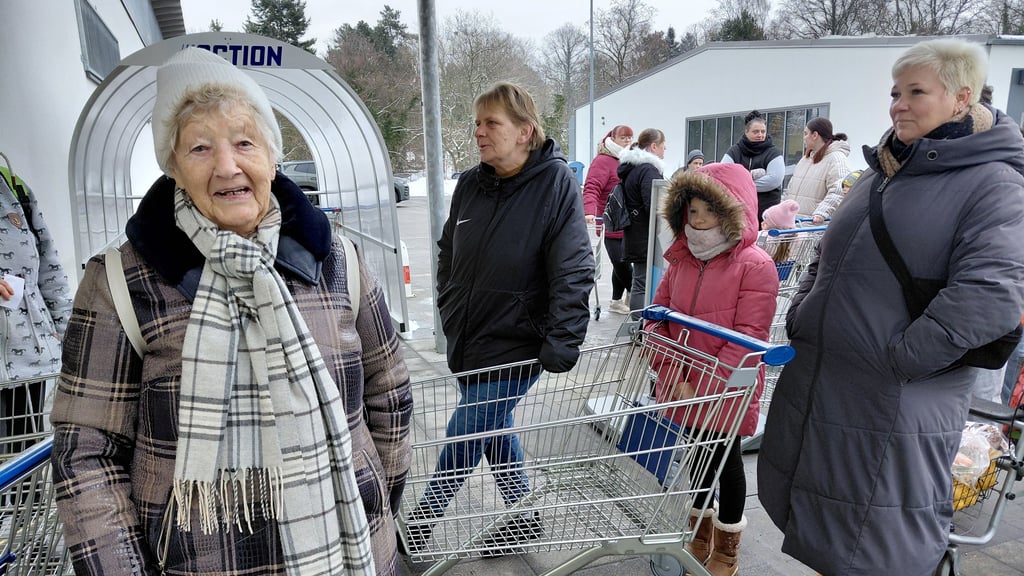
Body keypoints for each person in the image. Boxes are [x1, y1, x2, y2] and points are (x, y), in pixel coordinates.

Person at [51, 47, 413, 576]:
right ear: (173, 167)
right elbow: (86, 453)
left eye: (244, 141)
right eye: (199, 147)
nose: (227, 166)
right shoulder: (119, 282)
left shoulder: (337, 259)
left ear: (271, 153)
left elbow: (389, 391)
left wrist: (371, 503)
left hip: (350, 553)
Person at [758, 38, 1024, 576]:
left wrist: (901, 358)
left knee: (880, 543)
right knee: (833, 530)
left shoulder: (993, 184)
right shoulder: (882, 172)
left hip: (896, 397)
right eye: (895, 91)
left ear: (962, 97)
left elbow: (991, 296)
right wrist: (804, 311)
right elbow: (828, 252)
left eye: (916, 91)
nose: (898, 104)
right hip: (832, 385)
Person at [407, 81, 595, 553]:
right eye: (477, 123)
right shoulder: (471, 183)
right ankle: (523, 514)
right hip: (471, 335)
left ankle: (417, 526)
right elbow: (449, 249)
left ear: (524, 131)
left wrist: (563, 338)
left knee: (467, 428)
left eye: (491, 123)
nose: (479, 133)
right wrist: (449, 301)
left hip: (520, 340)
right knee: (491, 424)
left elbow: (574, 267)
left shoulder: (554, 184)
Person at [646, 163, 778, 576]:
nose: (698, 220)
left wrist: (702, 385)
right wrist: (674, 375)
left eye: (708, 210)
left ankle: (727, 546)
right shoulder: (681, 259)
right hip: (682, 382)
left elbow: (747, 337)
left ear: (732, 211)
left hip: (726, 389)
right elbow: (656, 318)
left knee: (725, 460)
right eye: (692, 211)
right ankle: (699, 530)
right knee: (697, 461)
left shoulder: (754, 266)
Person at [0, 167, 72, 453]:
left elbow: (50, 276)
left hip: (32, 365)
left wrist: (73, 344)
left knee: (23, 481)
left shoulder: (13, 186)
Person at [583, 124, 634, 315]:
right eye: (623, 137)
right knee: (620, 261)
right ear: (613, 138)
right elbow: (591, 187)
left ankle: (615, 301)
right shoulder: (603, 161)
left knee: (622, 262)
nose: (627, 141)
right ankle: (634, 294)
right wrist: (589, 211)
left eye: (630, 137)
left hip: (627, 221)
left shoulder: (628, 159)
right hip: (610, 220)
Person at [619, 128, 666, 318]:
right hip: (646, 235)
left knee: (639, 282)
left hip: (635, 233)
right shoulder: (648, 170)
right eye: (663, 147)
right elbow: (654, 204)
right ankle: (639, 327)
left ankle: (638, 325)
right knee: (642, 283)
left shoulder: (633, 167)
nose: (664, 152)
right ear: (654, 146)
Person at [783, 117, 852, 224]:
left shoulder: (837, 159)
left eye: (806, 133)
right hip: (794, 225)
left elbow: (839, 191)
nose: (804, 138)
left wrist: (821, 213)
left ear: (815, 135)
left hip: (813, 228)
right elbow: (790, 189)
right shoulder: (805, 159)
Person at [721, 110, 785, 223]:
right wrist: (752, 176)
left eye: (763, 131)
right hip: (738, 212)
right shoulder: (734, 151)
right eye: (755, 132)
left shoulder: (774, 153)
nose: (760, 135)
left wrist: (740, 184)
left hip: (766, 214)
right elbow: (723, 175)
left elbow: (774, 180)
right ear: (746, 132)